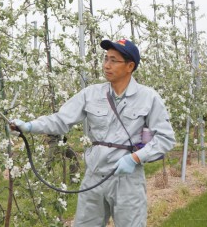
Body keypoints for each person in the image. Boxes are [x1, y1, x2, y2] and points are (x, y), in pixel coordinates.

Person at [11, 38, 176, 227]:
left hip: (127, 180)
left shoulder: (149, 98)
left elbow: (165, 139)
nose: (107, 65)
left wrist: (135, 159)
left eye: (114, 60)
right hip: (94, 175)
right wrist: (30, 126)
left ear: (130, 66)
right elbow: (61, 119)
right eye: (105, 59)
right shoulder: (91, 94)